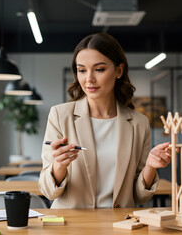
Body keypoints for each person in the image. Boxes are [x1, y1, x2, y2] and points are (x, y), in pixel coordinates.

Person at [39, 33, 171, 209]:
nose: (89, 79)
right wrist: (59, 166)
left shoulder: (139, 123)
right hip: (72, 225)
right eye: (82, 70)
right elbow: (48, 191)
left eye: (99, 69)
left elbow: (140, 197)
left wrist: (150, 167)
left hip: (120, 224)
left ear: (118, 71)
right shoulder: (60, 115)